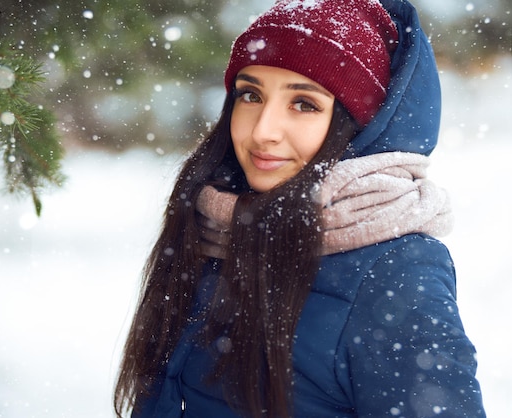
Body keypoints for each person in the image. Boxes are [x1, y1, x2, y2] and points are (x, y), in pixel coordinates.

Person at [114, 0, 486, 417]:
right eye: (250, 95)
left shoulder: (393, 271)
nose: (263, 130)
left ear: (358, 127)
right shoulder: (214, 226)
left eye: (304, 104)